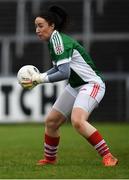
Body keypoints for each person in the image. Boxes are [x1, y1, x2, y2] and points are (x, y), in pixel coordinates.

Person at [21, 5, 118, 166]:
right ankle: (50, 159)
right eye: (35, 26)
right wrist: (40, 77)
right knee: (52, 121)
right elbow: (59, 68)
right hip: (76, 85)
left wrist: (40, 79)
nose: (37, 30)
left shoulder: (58, 41)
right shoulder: (54, 40)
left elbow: (64, 73)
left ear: (51, 26)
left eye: (40, 26)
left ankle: (109, 156)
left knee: (78, 121)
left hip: (91, 84)